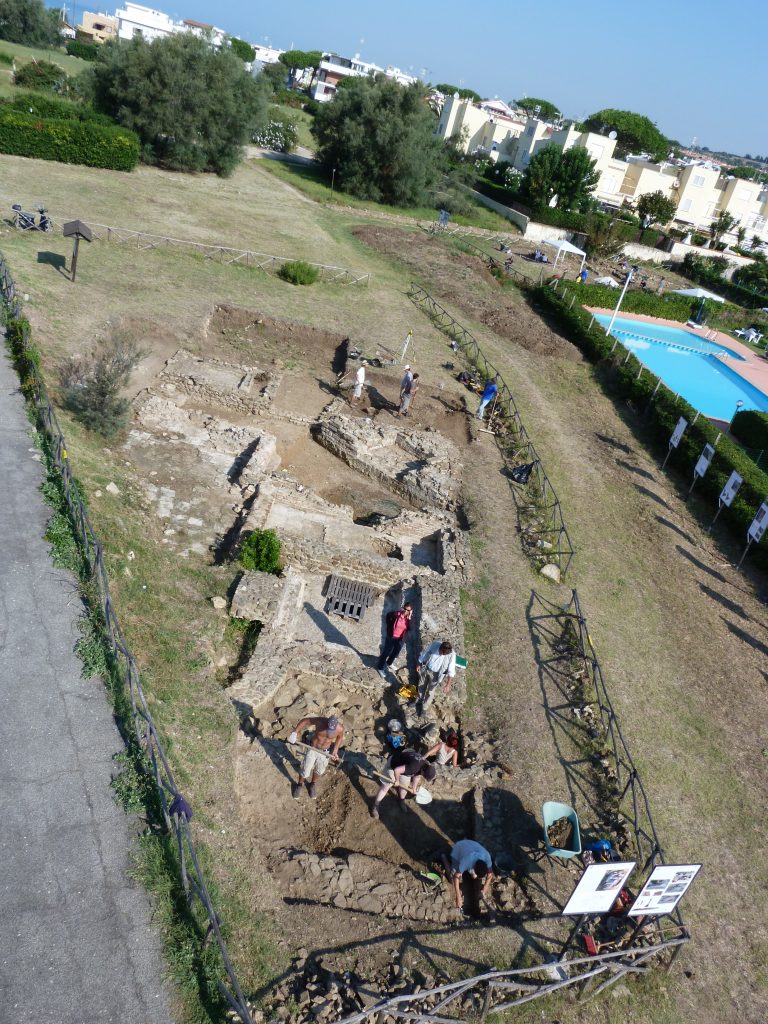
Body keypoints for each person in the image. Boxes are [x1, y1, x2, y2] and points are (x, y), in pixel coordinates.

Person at [287, 714, 344, 800]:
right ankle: (299, 785)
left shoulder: (340, 729)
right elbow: (305, 721)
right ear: (327, 723)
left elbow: (340, 738)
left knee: (319, 770)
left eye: (332, 730)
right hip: (313, 749)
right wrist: (295, 732)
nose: (329, 731)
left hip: (325, 752)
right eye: (328, 729)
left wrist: (335, 750)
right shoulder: (320, 721)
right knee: (305, 771)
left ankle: (312, 784)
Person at [370, 748, 436, 819]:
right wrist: (397, 781)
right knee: (385, 787)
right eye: (425, 776)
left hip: (405, 767)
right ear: (423, 771)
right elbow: (397, 770)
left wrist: (414, 788)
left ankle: (401, 800)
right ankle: (375, 806)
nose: (424, 777)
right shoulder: (414, 767)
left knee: (404, 787)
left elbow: (417, 776)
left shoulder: (425, 764)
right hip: (393, 765)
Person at [443, 839, 494, 910]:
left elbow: (490, 874)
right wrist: (458, 896)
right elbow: (456, 877)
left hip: (470, 846)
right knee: (452, 879)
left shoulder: (487, 857)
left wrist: (484, 890)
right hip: (458, 849)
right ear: (474, 867)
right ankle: (444, 858)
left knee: (473, 877)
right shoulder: (466, 861)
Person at [416, 640, 456, 712]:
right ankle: (418, 701)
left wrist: (448, 685)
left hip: (436, 675)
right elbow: (425, 653)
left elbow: (451, 670)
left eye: (444, 654)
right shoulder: (435, 644)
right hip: (426, 669)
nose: (442, 655)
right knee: (421, 685)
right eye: (441, 653)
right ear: (440, 648)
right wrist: (419, 663)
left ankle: (424, 708)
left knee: (430, 691)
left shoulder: (452, 655)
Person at [377, 602, 413, 677]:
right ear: (403, 608)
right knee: (386, 652)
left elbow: (409, 629)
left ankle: (389, 663)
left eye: (408, 610)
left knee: (396, 653)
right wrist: (389, 627)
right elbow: (388, 616)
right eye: (405, 609)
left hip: (400, 638)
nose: (406, 611)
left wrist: (409, 619)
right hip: (391, 636)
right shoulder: (397, 614)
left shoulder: (410, 619)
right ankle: (380, 667)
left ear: (411, 611)